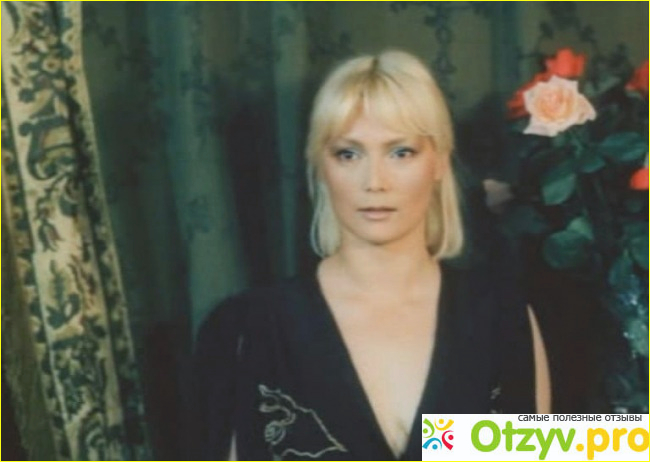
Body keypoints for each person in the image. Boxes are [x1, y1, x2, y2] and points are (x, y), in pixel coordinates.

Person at [189, 49, 550, 461]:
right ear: (320, 166)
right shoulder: (243, 329)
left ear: (438, 162)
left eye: (401, 152)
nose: (374, 181)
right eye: (348, 153)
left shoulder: (504, 317)